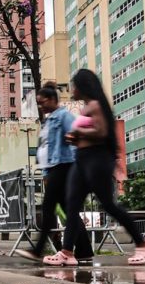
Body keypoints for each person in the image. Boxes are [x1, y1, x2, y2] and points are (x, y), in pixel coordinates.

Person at [43, 69, 145, 266]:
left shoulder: (96, 105)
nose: (72, 89)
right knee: (72, 205)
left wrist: (78, 132)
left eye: (74, 85)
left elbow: (102, 132)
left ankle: (143, 244)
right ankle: (67, 252)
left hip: (96, 159)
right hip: (82, 159)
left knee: (108, 205)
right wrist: (75, 138)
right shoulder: (87, 107)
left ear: (82, 86)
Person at [16, 83, 93, 263]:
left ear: (52, 100)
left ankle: (38, 250)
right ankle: (85, 251)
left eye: (42, 102)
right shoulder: (49, 120)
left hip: (64, 167)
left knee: (48, 208)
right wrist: (45, 173)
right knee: (68, 211)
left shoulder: (64, 116)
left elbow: (76, 139)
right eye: (38, 103)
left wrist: (76, 168)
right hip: (54, 169)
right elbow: (46, 149)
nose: (40, 106)